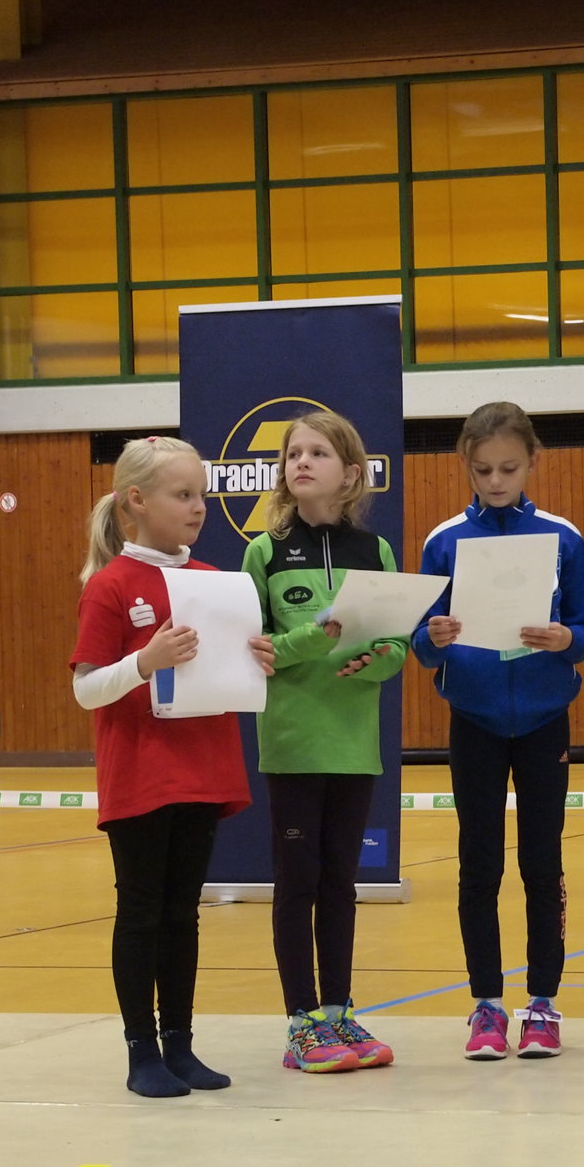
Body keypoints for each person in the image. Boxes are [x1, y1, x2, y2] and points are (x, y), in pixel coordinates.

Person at [70, 435, 273, 1097]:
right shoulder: (110, 586)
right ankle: (141, 1052)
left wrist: (258, 661)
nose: (198, 508)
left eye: (201, 496)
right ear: (136, 501)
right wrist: (144, 662)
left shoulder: (217, 582)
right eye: (183, 495)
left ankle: (180, 1045)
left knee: (183, 912)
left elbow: (229, 671)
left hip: (202, 767)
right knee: (142, 911)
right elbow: (86, 689)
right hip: (140, 775)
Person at [412, 402, 584, 1060]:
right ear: (466, 465)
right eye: (484, 469)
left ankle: (543, 1004)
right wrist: (434, 637)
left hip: (546, 722)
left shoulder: (563, 538)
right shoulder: (443, 542)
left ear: (532, 464)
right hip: (475, 723)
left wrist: (565, 639)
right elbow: (420, 642)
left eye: (509, 469)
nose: (496, 481)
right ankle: (486, 1005)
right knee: (479, 865)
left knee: (542, 865)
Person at [243, 411, 406, 1073]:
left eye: (317, 453)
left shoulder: (377, 552)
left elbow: (395, 645)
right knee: (297, 883)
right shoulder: (264, 551)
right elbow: (255, 650)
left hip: (354, 744)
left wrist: (378, 660)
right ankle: (301, 1023)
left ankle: (337, 1013)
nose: (301, 463)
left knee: (341, 882)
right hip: (293, 742)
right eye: (293, 454)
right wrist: (317, 637)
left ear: (351, 473)